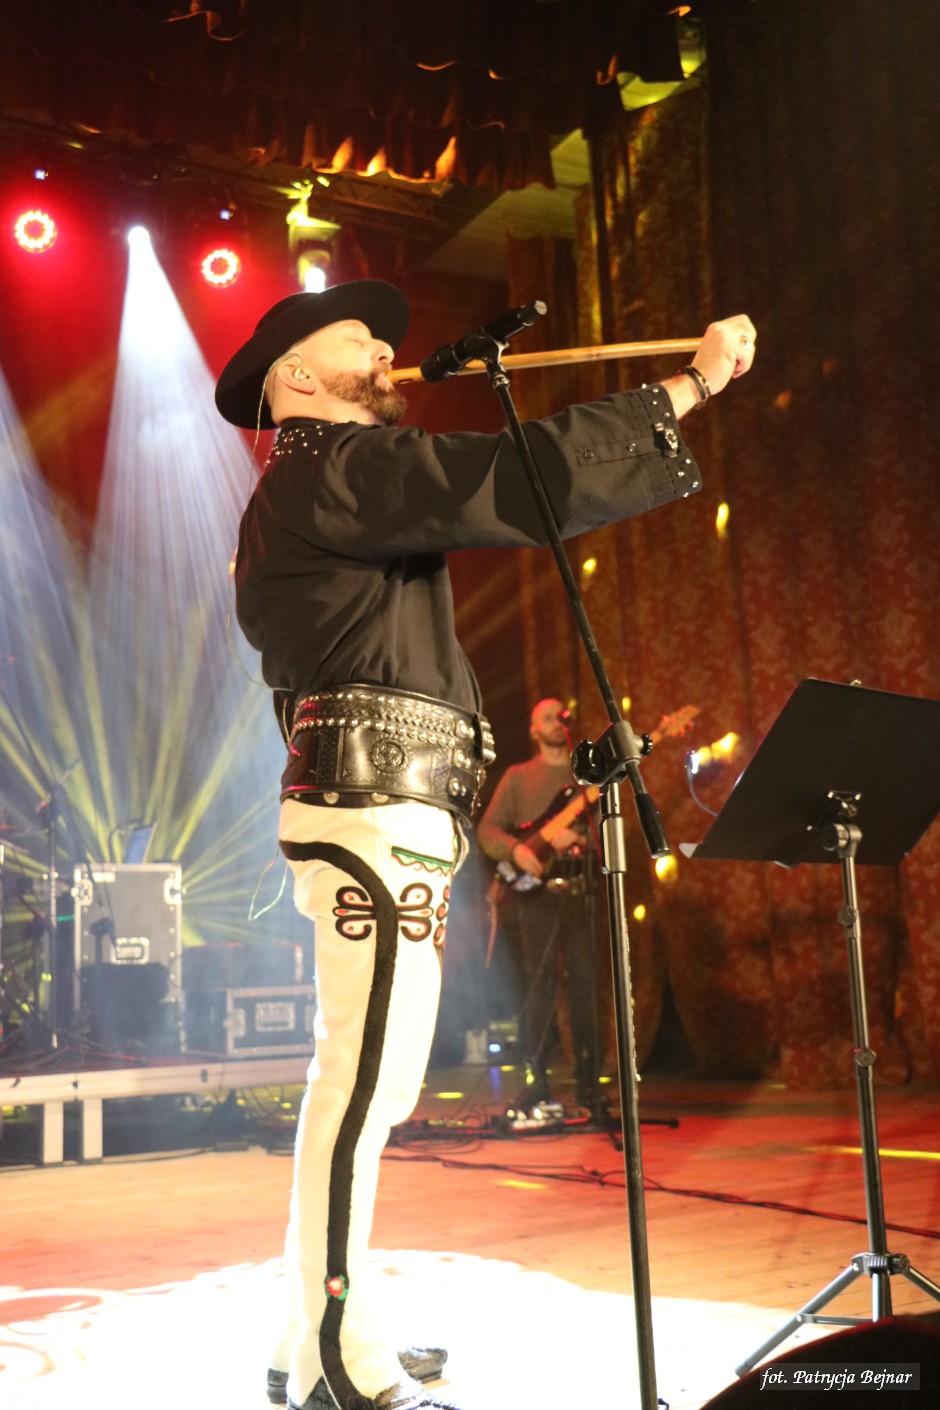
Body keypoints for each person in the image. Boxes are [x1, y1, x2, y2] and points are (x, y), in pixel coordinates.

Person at [215, 279, 755, 1410]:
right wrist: (691, 385)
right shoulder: (332, 467)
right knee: (360, 1086)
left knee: (368, 1081)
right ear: (296, 376)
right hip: (372, 815)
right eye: (357, 337)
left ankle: (310, 1329)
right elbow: (515, 475)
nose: (384, 347)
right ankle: (335, 1355)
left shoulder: (323, 485)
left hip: (382, 813)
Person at [477, 697, 603, 1114]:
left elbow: (606, 834)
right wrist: (517, 849)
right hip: (537, 896)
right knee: (540, 987)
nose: (555, 721)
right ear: (534, 731)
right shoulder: (518, 777)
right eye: (545, 717)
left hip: (581, 889)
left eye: (559, 715)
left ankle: (590, 1083)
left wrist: (581, 839)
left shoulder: (586, 777)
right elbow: (487, 831)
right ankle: (537, 1081)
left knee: (586, 987)